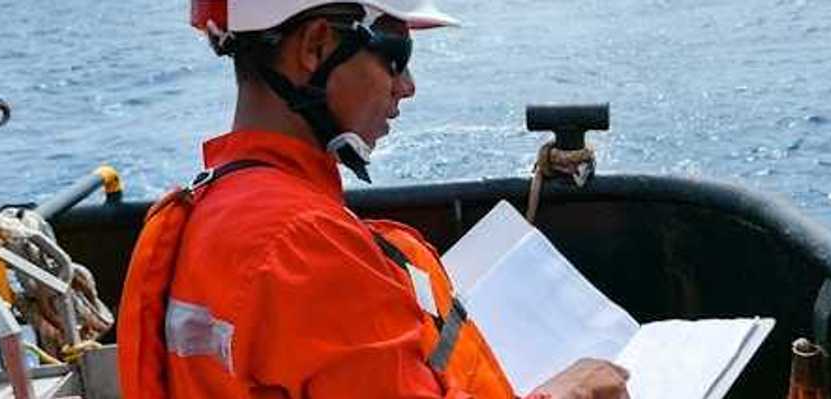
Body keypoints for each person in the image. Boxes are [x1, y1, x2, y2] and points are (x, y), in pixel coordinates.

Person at [116, 1, 631, 398]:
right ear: (315, 47)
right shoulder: (305, 245)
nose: (406, 86)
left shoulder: (212, 210)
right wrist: (569, 391)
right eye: (394, 57)